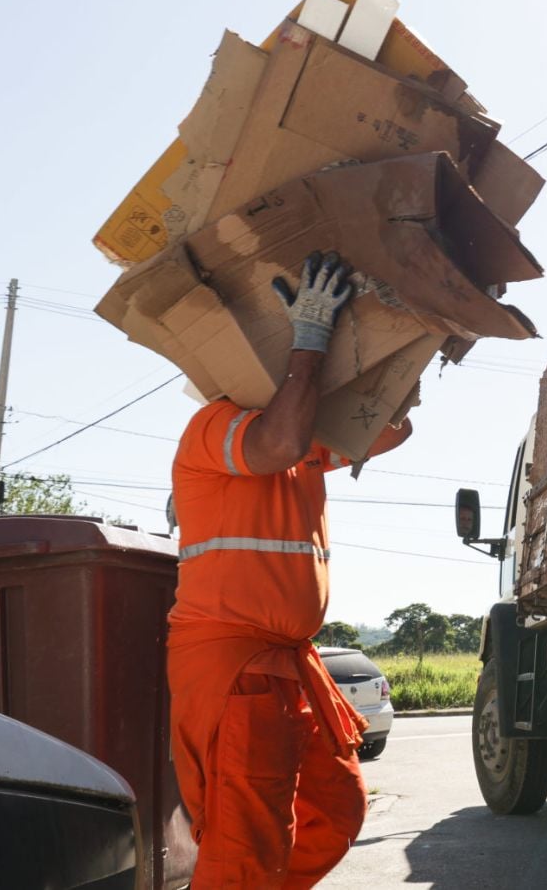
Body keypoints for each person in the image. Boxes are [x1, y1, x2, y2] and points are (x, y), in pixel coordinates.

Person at [166, 251, 412, 888]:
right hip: (235, 666)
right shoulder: (213, 427)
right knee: (245, 844)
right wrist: (308, 341)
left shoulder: (305, 445)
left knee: (335, 809)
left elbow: (389, 427)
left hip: (286, 662)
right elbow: (275, 443)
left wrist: (409, 340)